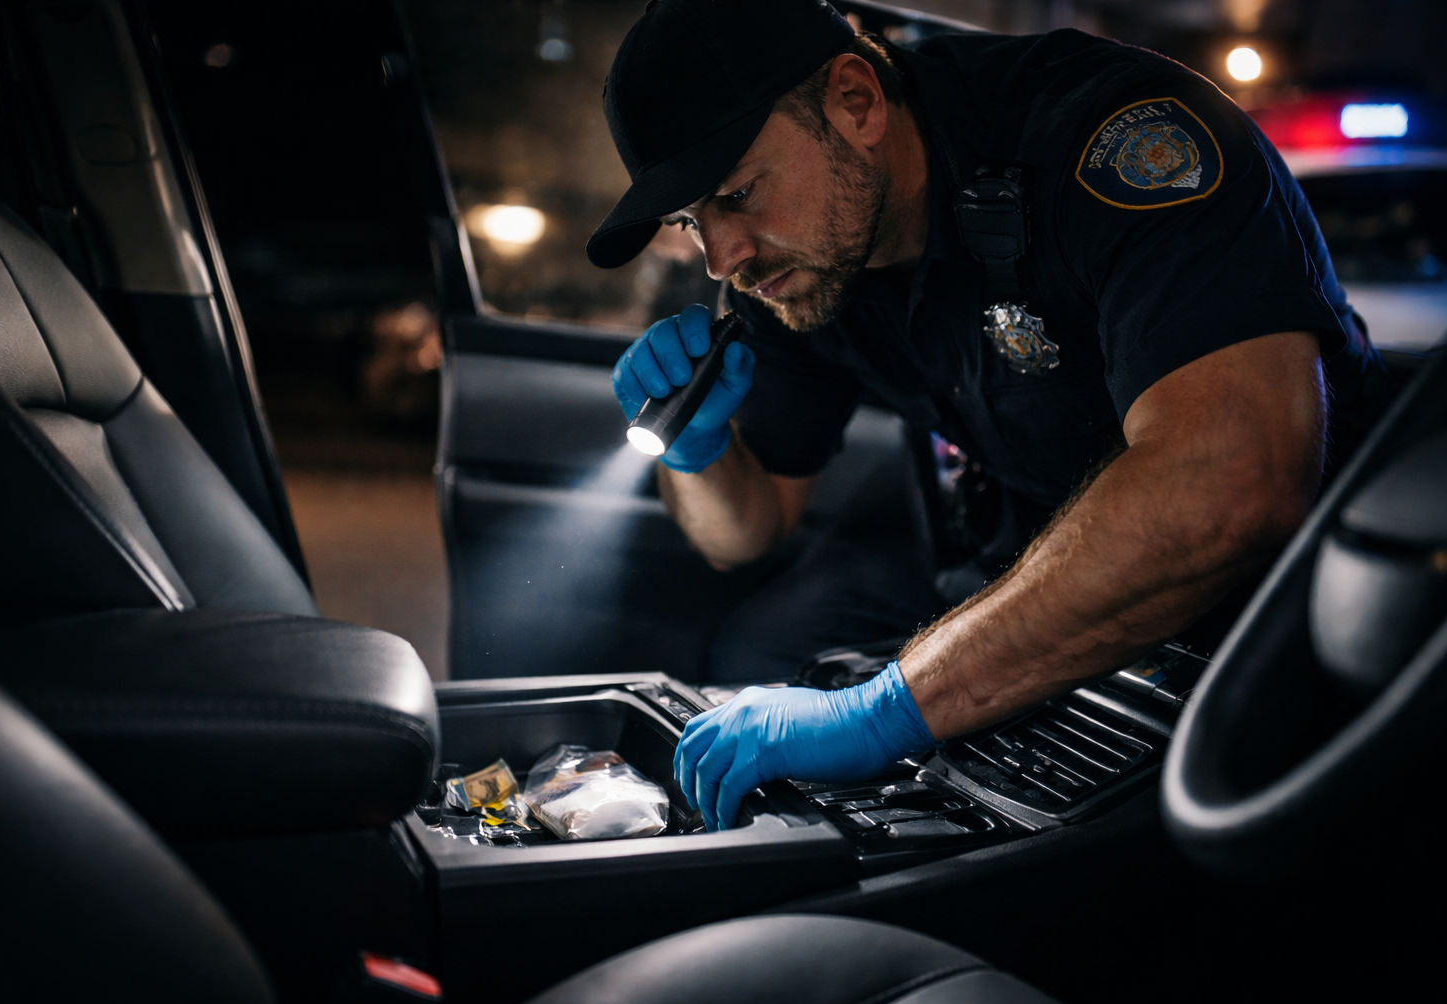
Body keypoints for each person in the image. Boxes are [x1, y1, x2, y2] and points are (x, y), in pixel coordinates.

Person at [588, 0, 1388, 831]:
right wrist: (696, 448)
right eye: (691, 222)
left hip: (1309, 600)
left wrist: (887, 707)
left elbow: (1231, 486)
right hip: (1033, 544)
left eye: (738, 194)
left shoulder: (1108, 138)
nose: (724, 258)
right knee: (759, 651)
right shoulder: (796, 265)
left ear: (855, 102)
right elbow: (746, 532)